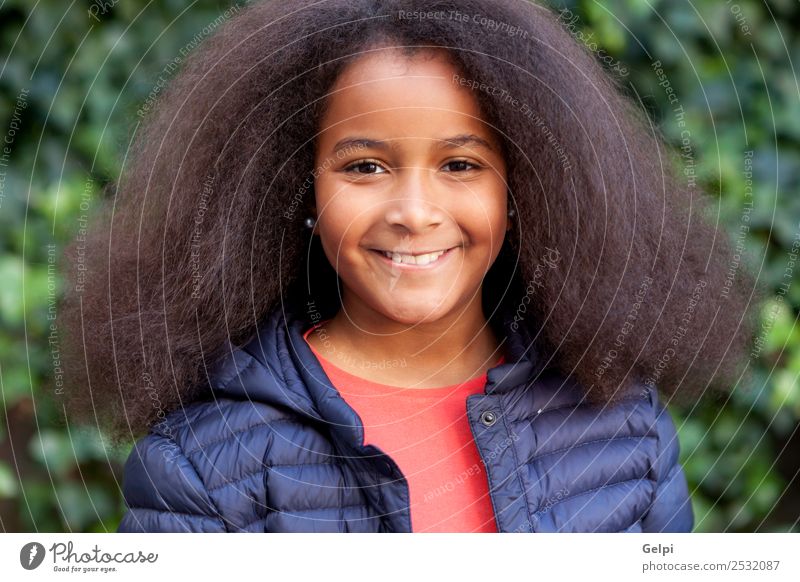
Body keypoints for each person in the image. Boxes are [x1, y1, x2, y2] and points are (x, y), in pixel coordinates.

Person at [57, 0, 758, 533]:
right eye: (365, 166)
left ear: (524, 189)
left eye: (460, 165)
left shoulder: (625, 427)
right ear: (301, 189)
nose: (414, 212)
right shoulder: (202, 465)